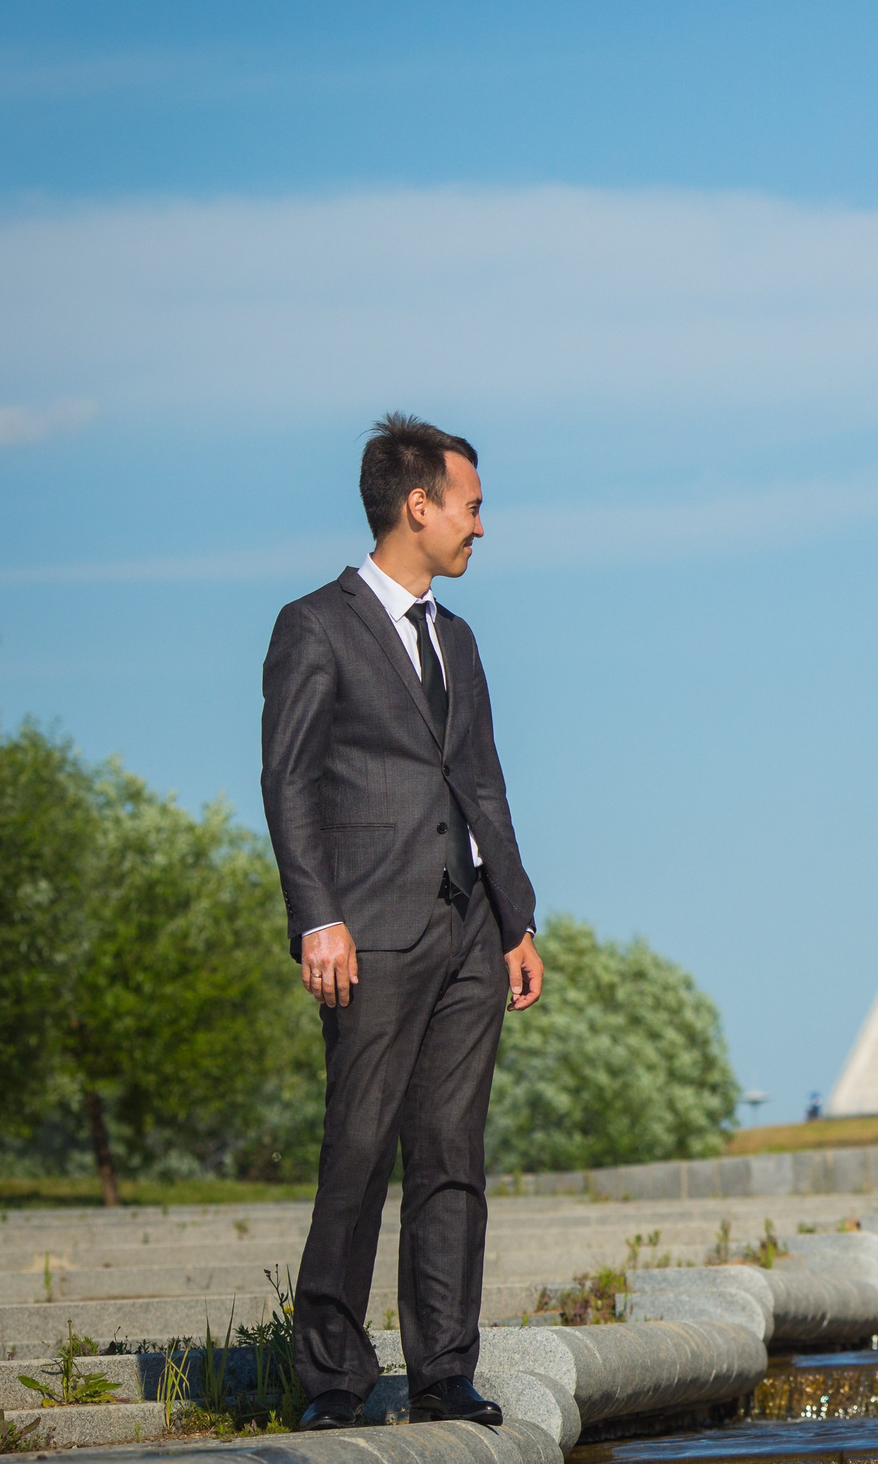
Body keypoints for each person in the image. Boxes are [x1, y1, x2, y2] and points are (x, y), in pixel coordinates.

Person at [261, 414, 546, 1429]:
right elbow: (288, 781)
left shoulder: (457, 639)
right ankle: (333, 1380)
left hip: (472, 930)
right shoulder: (314, 626)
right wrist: (316, 917)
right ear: (416, 505)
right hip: (368, 928)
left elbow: (483, 785)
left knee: (450, 1156)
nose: (480, 527)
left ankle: (443, 1374)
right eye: (471, 507)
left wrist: (515, 919)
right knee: (359, 1146)